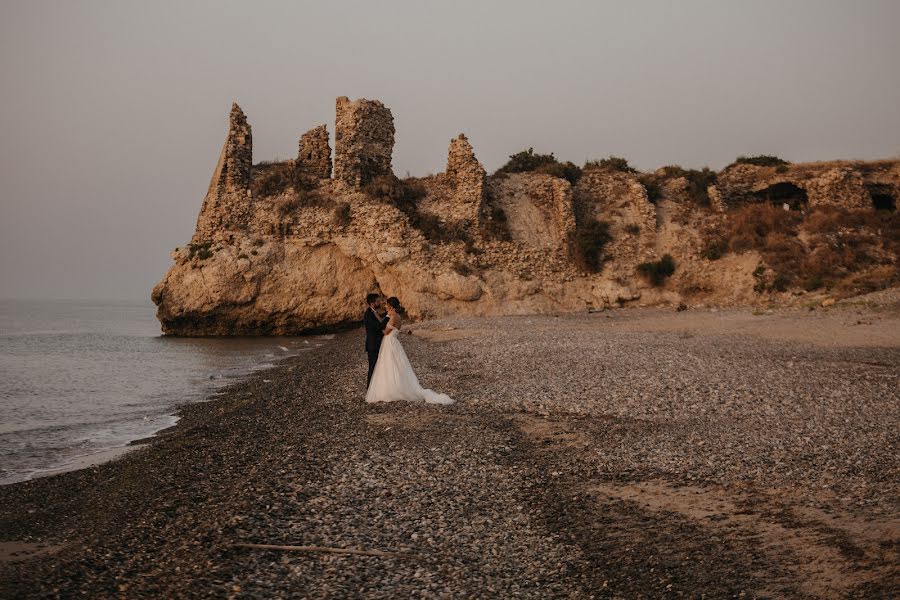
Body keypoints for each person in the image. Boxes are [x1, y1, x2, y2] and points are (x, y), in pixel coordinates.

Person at [365, 297, 455, 405]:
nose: (385, 306)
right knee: (395, 365)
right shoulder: (398, 317)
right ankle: (394, 386)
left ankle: (391, 389)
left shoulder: (392, 317)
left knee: (389, 365)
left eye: (387, 304)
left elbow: (385, 332)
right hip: (394, 342)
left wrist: (383, 322)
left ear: (391, 306)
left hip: (389, 342)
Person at [363, 293, 389, 388]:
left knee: (378, 366)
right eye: (377, 301)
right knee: (373, 366)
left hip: (377, 343)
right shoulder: (368, 314)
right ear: (372, 303)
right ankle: (369, 387)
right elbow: (378, 326)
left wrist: (387, 313)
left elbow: (379, 319)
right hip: (373, 345)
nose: (379, 303)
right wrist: (388, 317)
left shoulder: (374, 312)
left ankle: (377, 386)